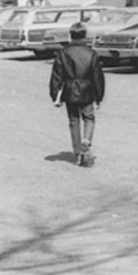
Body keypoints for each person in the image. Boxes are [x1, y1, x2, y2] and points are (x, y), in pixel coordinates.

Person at [49, 21, 106, 167]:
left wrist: (55, 95)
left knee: (74, 121)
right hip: (87, 90)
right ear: (85, 35)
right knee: (89, 118)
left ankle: (78, 153)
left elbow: (56, 76)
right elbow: (97, 77)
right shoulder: (91, 53)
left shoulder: (63, 53)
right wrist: (99, 96)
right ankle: (86, 140)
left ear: (71, 35)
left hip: (70, 91)